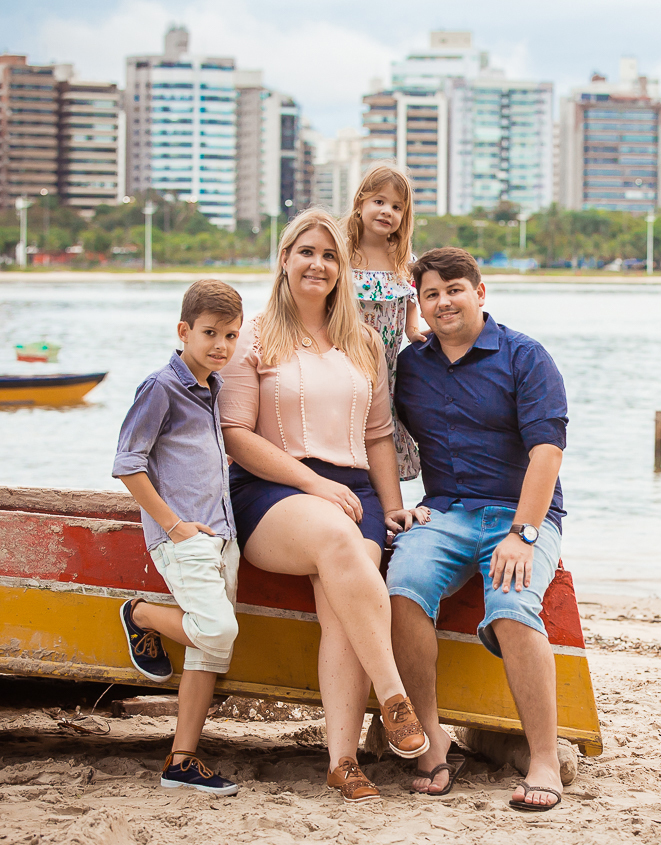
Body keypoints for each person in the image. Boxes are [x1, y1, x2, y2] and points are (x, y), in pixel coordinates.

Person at [219, 208, 430, 804]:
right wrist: (313, 486)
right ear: (284, 260)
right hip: (271, 488)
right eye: (305, 252)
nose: (317, 264)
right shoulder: (253, 336)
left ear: (342, 269)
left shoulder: (364, 341)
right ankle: (395, 698)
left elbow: (379, 435)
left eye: (330, 255)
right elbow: (236, 433)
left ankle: (343, 762)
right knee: (339, 541)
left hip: (354, 491)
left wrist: (392, 506)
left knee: (342, 601)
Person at [388, 247, 568, 811]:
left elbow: (546, 453)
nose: (444, 302)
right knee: (402, 589)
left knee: (512, 608)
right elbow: (367, 433)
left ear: (480, 291)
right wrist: (394, 505)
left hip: (519, 516)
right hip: (444, 512)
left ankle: (543, 757)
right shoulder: (411, 366)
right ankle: (432, 736)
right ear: (421, 304)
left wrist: (524, 533)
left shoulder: (525, 356)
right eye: (431, 294)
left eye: (454, 290)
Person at [113, 278, 244, 796]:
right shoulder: (160, 387)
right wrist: (173, 525)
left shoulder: (213, 386)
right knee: (217, 631)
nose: (221, 345)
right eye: (211, 333)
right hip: (183, 537)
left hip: (222, 534)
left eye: (231, 336)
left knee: (210, 655)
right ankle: (140, 614)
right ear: (184, 330)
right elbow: (128, 464)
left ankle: (181, 760)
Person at [344, 164, 425, 481]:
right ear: (361, 202)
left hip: (386, 365)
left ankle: (383, 494)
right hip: (347, 354)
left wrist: (413, 331)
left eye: (396, 207)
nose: (386, 211)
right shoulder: (344, 252)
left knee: (379, 421)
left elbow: (411, 300)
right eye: (379, 201)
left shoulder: (402, 258)